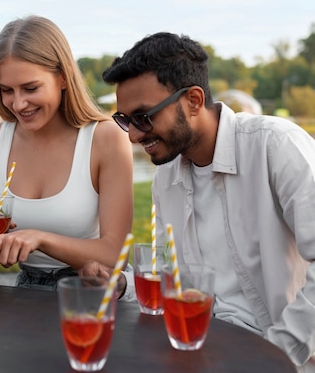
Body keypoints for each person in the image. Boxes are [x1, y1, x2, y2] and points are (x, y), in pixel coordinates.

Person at [90, 31, 315, 371]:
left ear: (194, 100)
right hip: (199, 351)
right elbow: (173, 278)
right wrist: (122, 284)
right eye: (124, 120)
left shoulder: (275, 146)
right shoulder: (166, 178)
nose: (133, 135)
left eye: (143, 117)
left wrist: (276, 354)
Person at [0, 15, 134, 293]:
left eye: (30, 88)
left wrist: (39, 239)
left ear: (62, 78)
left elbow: (114, 254)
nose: (18, 103)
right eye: (6, 90)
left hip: (89, 293)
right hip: (24, 294)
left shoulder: (105, 139)